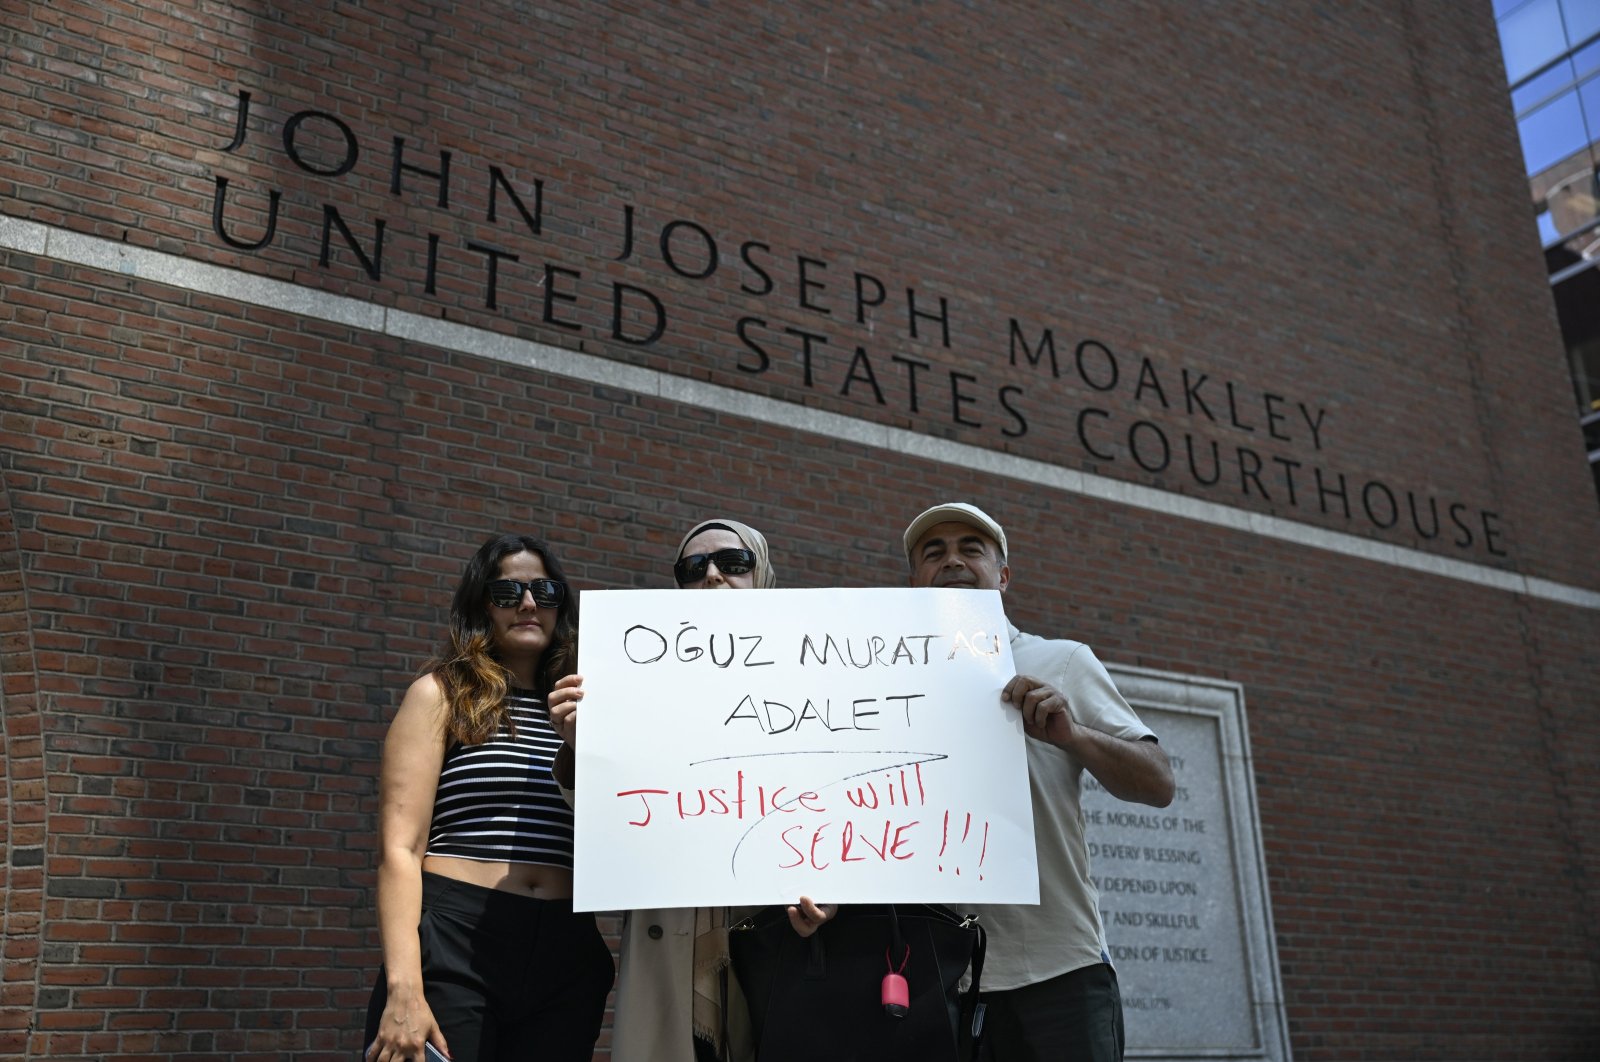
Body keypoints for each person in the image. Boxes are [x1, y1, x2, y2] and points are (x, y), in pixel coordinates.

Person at [549, 518, 834, 1062]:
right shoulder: (633, 679)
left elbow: (846, 807)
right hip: (671, 929)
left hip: (776, 928)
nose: (711, 576)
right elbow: (604, 824)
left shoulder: (813, 679)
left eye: (732, 563)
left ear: (763, 576)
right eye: (693, 567)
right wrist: (580, 748)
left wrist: (833, 890)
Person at [901, 502, 1175, 1062]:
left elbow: (1157, 783)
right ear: (914, 581)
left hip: (1060, 969)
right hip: (942, 978)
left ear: (1002, 577)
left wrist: (1072, 735)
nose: (952, 560)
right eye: (934, 552)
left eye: (970, 549)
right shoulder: (883, 683)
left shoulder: (1061, 661)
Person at [363, 533, 614, 1062]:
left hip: (567, 947)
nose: (528, 604)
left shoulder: (594, 708)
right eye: (508, 593)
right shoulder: (440, 694)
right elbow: (400, 850)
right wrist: (404, 987)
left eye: (544, 591)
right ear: (482, 605)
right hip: (458, 937)